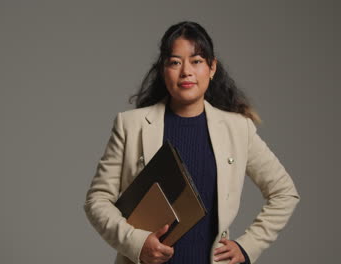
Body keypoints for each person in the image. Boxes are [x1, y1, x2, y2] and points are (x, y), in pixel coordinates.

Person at [84, 21, 300, 264]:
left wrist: (248, 246)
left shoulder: (238, 129)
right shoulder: (131, 126)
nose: (186, 71)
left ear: (212, 67)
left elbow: (284, 192)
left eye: (196, 61)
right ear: (163, 70)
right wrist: (136, 242)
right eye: (175, 62)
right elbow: (97, 200)